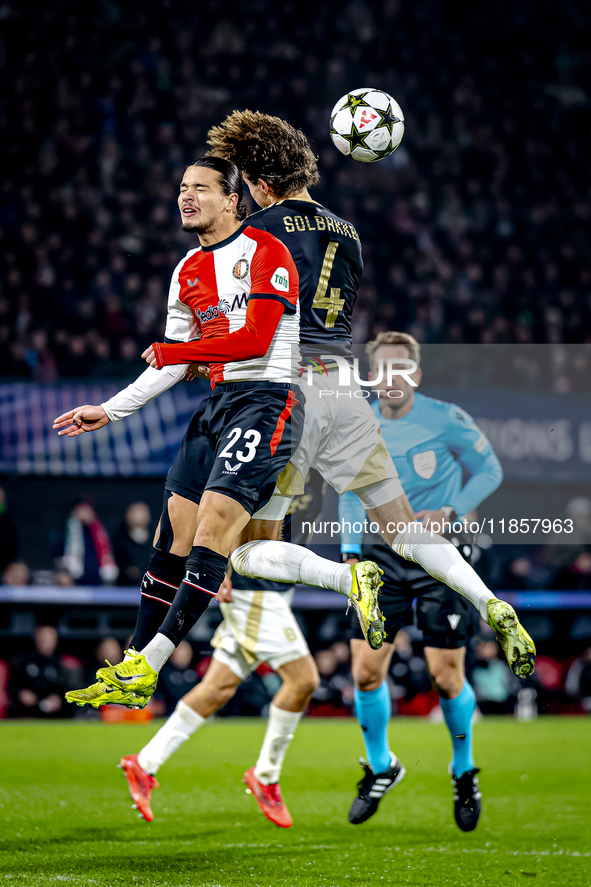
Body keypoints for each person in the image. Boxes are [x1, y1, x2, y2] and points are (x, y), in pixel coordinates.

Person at [202, 110, 535, 682]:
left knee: (245, 546)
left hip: (292, 389)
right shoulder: (349, 232)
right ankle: (489, 602)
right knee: (404, 529)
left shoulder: (257, 233)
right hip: (346, 385)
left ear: (258, 183)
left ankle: (343, 578)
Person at [56, 157, 383, 708]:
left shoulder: (267, 252)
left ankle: (152, 664)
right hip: (218, 404)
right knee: (171, 540)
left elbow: (256, 340)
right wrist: (111, 410)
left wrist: (180, 352)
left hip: (269, 401)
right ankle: (134, 665)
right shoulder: (186, 268)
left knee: (213, 530)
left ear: (232, 199)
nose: (186, 197)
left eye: (200, 188)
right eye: (181, 188)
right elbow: (170, 364)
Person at [338, 331, 504, 831]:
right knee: (365, 671)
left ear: (415, 375)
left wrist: (451, 510)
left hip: (439, 554)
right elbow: (351, 489)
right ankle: (382, 764)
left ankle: (463, 769)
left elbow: (489, 470)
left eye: (400, 369)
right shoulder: (358, 421)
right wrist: (348, 552)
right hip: (378, 555)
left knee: (446, 675)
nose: (390, 378)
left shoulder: (445, 418)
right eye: (381, 369)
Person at [113, 502, 153, 586]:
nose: (139, 516)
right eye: (135, 512)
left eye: (142, 512)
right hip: (126, 588)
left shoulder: (157, 539)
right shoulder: (119, 539)